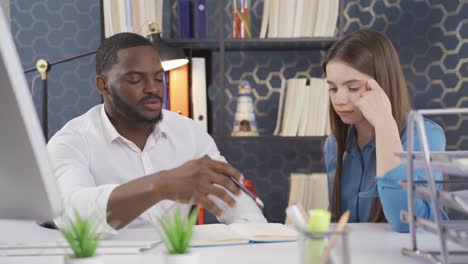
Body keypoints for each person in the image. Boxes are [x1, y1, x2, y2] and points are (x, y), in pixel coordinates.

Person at [47, 32, 266, 234]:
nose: (152, 88)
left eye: (159, 78)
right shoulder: (71, 142)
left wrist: (248, 233)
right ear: (103, 85)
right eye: (135, 80)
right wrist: (160, 185)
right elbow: (71, 214)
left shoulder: (189, 133)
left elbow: (244, 211)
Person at [322, 29, 447, 232]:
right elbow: (340, 221)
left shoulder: (425, 137)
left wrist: (384, 125)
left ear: (382, 85)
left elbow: (406, 222)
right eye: (333, 88)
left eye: (353, 87)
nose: (339, 100)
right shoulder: (335, 144)